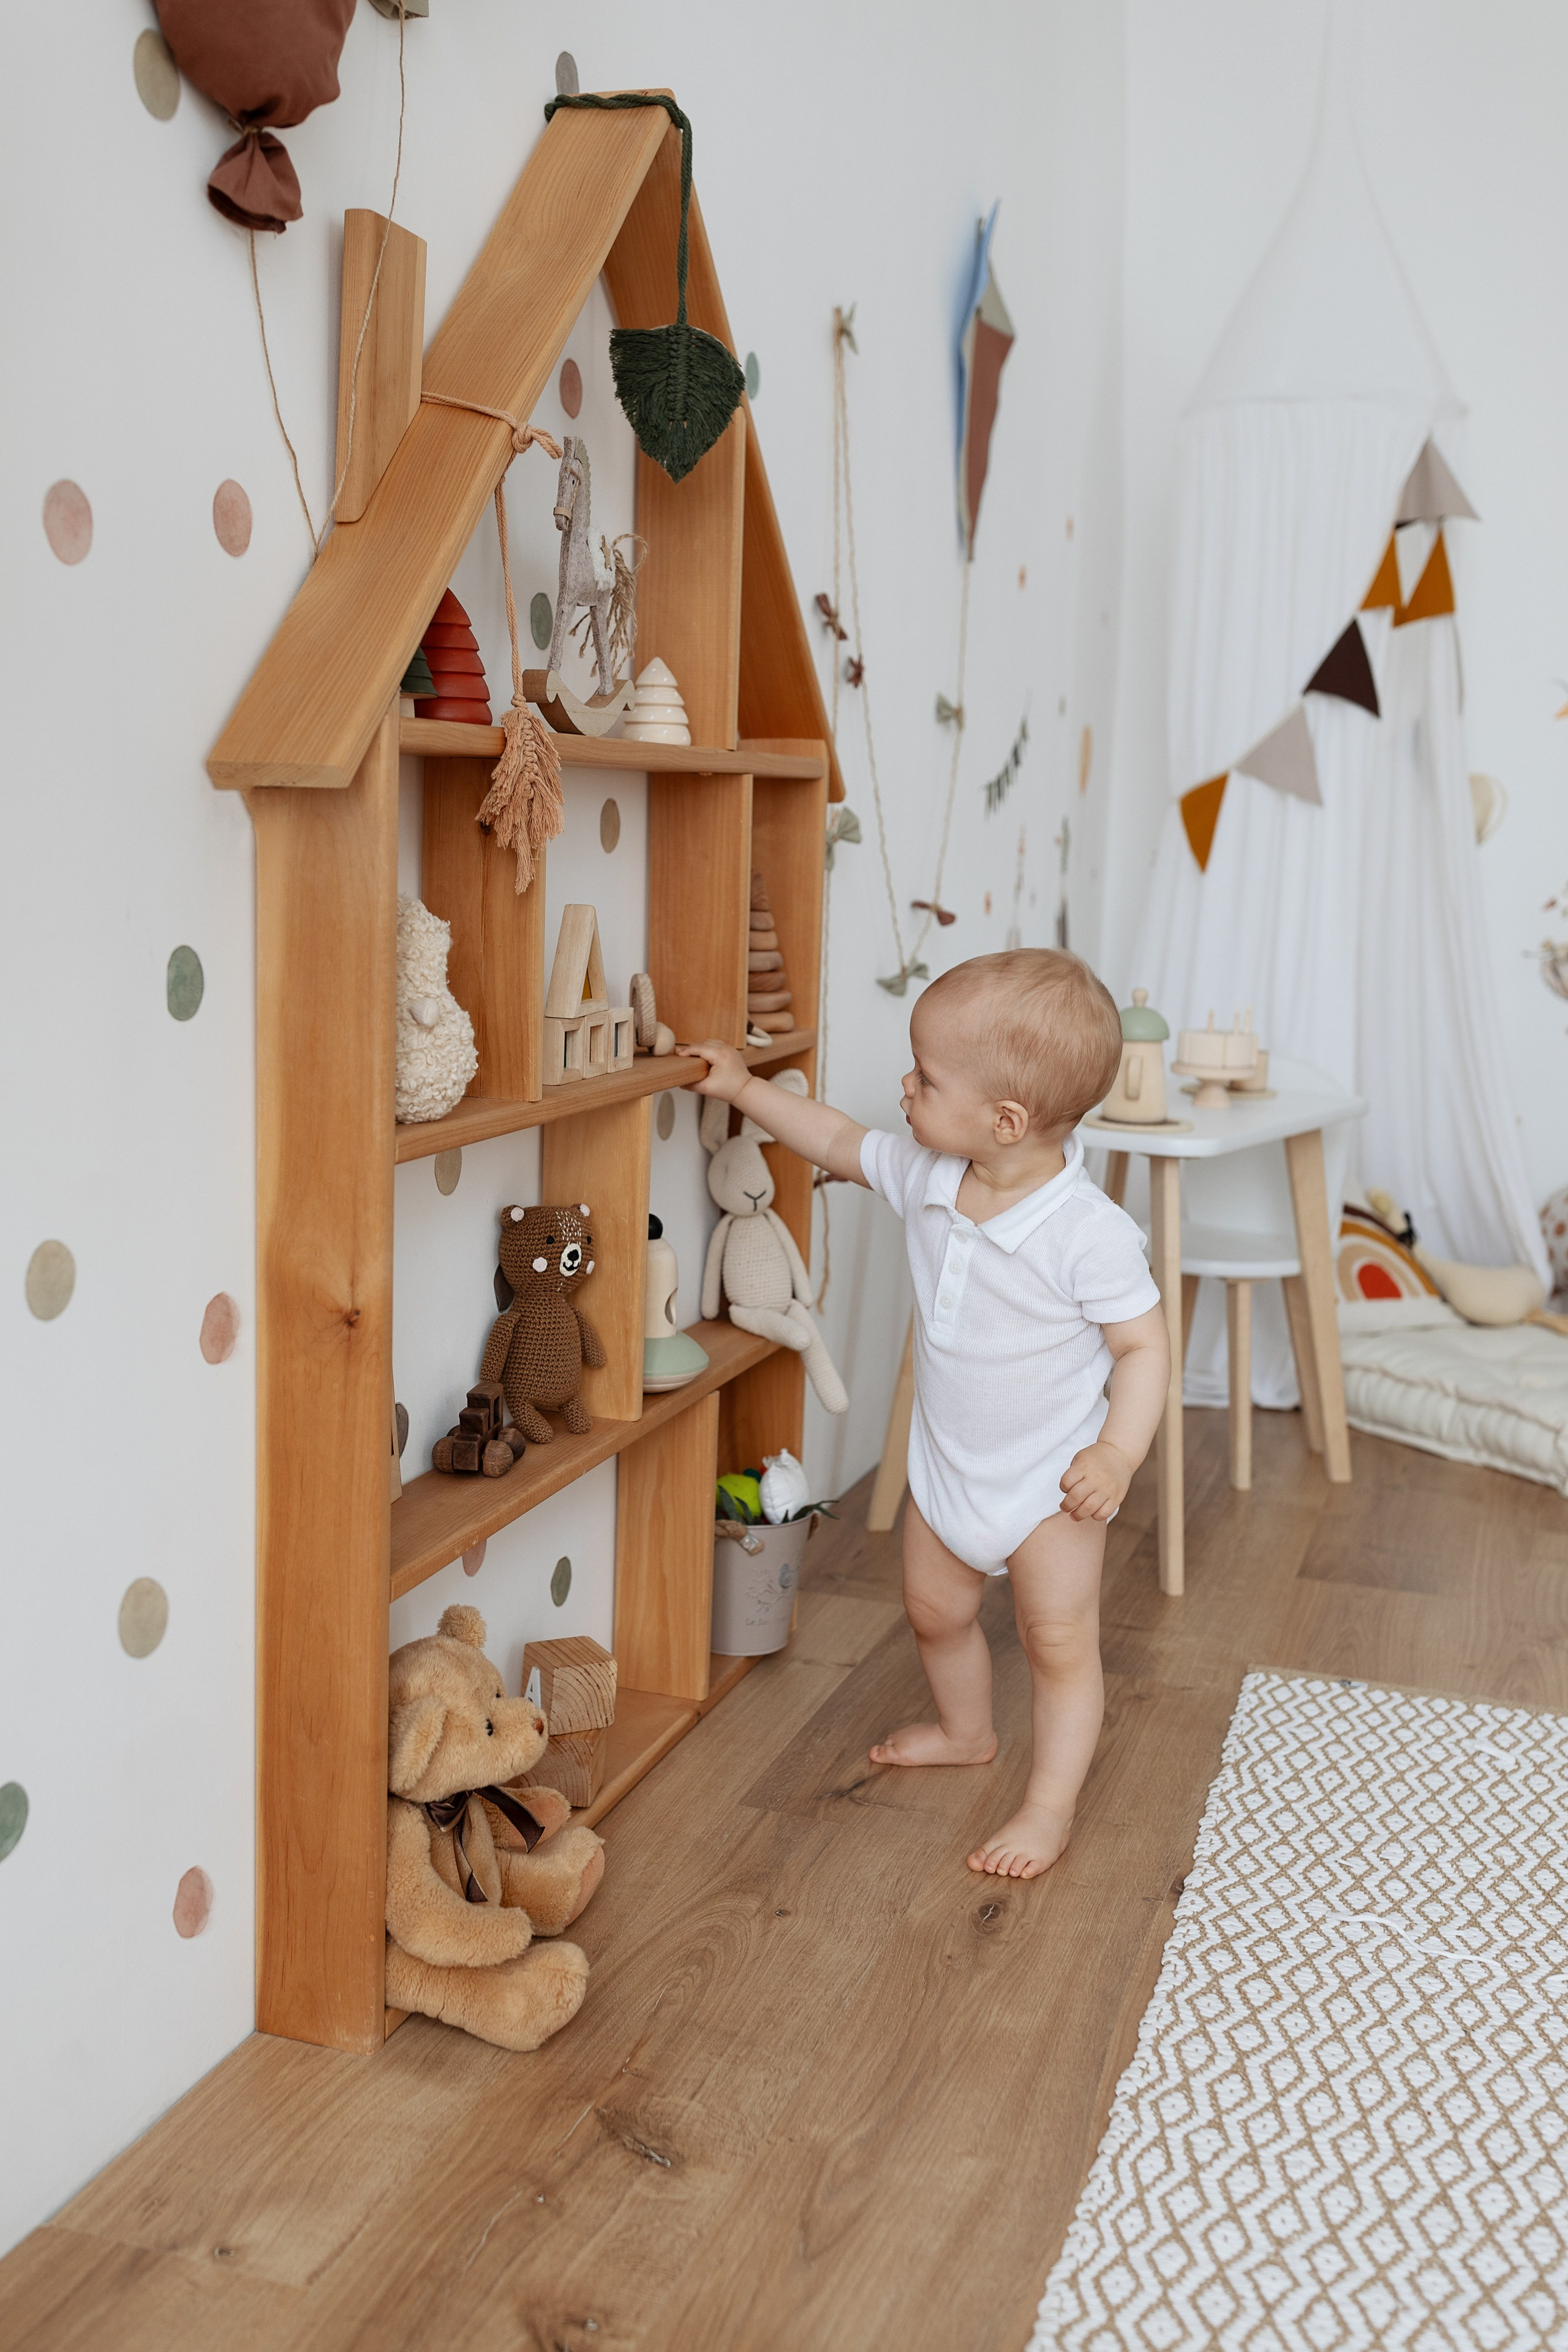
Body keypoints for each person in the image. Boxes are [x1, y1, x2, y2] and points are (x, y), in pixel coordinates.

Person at [682, 949, 1170, 1879]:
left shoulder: (1088, 1232)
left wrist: (1117, 1453)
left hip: (1050, 1480)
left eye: (926, 1077)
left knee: (1057, 1642)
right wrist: (743, 1089)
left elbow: (1144, 1349)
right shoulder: (930, 1175)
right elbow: (830, 1139)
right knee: (934, 1610)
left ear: (1006, 1119)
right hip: (948, 1466)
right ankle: (967, 1730)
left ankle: (1048, 1806)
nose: (904, 1087)